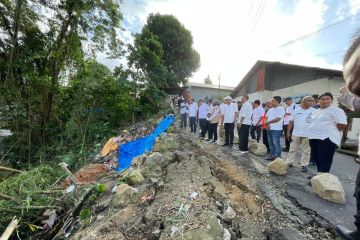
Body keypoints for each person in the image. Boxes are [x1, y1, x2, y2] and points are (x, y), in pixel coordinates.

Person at [308, 92, 347, 173]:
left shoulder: (336, 110)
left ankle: (323, 178)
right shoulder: (316, 111)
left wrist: (331, 130)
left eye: (327, 99)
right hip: (314, 137)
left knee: (325, 159)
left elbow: (342, 124)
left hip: (327, 138)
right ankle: (319, 174)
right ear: (318, 101)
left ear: (331, 100)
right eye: (323, 99)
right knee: (316, 157)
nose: (325, 101)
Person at [286, 96, 316, 173]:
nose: (312, 102)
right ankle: (289, 162)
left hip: (308, 134)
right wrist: (288, 132)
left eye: (313, 101)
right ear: (303, 102)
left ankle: (304, 165)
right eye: (310, 100)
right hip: (296, 133)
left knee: (306, 150)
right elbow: (291, 122)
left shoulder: (315, 111)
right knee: (292, 149)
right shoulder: (295, 111)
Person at [264, 96, 285, 161]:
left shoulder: (281, 109)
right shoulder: (270, 109)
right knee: (270, 143)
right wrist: (266, 124)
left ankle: (277, 157)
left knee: (276, 143)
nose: (271, 102)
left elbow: (278, 119)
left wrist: (267, 123)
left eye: (273, 101)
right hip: (269, 129)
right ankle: (272, 155)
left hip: (276, 129)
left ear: (277, 101)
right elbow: (265, 117)